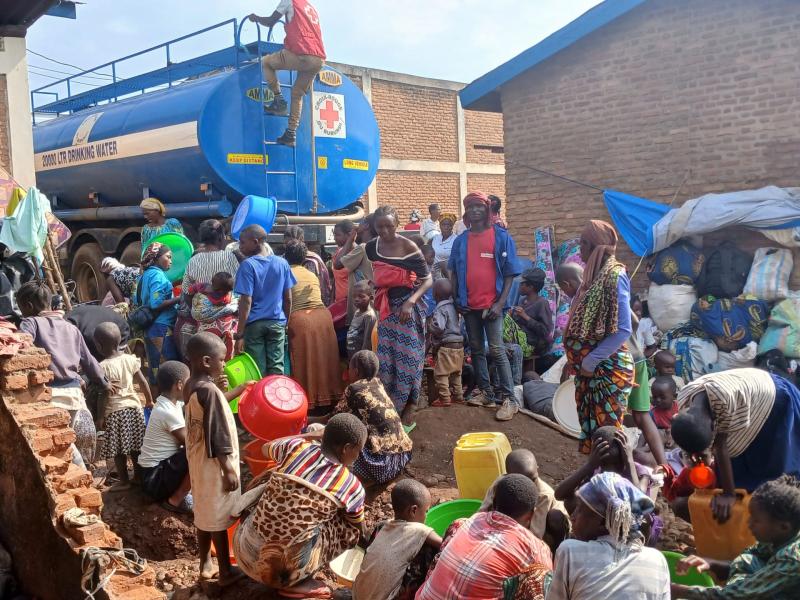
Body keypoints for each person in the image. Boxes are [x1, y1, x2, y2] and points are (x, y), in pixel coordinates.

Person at [565, 220, 666, 471]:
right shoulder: (594, 276)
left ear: (591, 245)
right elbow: (628, 320)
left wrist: (590, 359)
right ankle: (599, 478)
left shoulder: (614, 275)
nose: (580, 250)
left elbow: (623, 329)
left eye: (582, 243)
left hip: (608, 370)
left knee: (609, 434)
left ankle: (617, 483)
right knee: (597, 431)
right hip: (594, 372)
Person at [234, 414, 367, 598]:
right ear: (346, 448)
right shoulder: (350, 485)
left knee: (272, 484)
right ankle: (300, 582)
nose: (358, 456)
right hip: (280, 576)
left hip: (243, 553)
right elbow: (359, 527)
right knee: (349, 528)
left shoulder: (294, 447)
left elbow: (266, 447)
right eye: (358, 451)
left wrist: (309, 436)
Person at [671, 367, 800, 521]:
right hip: (745, 397)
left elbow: (720, 448)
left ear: (714, 425)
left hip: (773, 402)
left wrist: (728, 494)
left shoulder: (724, 402)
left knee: (774, 464)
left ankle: (776, 511)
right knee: (735, 469)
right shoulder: (686, 398)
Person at [417, 474, 554, 600]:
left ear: (493, 502)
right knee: (538, 575)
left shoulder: (468, 521)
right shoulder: (536, 550)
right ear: (531, 514)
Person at [18, 281, 109, 467]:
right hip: (75, 396)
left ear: (28, 306)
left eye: (21, 309)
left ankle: (83, 482)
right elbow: (90, 362)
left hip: (51, 397)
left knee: (63, 448)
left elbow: (22, 346)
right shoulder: (71, 328)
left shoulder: (30, 323)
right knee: (72, 446)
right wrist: (104, 382)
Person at [184, 332, 250, 586]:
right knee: (220, 516)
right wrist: (228, 469)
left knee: (204, 511)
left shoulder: (191, 385)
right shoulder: (209, 391)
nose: (225, 364)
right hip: (215, 464)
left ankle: (204, 563)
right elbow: (218, 430)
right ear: (206, 361)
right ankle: (225, 570)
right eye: (222, 360)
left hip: (198, 460)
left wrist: (235, 390)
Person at [448, 191, 520, 421]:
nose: (475, 210)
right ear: (466, 212)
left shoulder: (501, 237)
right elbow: (452, 272)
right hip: (469, 306)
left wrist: (500, 303)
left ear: (487, 209)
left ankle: (510, 399)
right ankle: (487, 393)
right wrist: (457, 299)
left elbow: (510, 274)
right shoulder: (461, 241)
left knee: (497, 349)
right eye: (470, 207)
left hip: (492, 306)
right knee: (477, 350)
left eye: (479, 206)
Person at [671, 474, 800, 599]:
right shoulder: (781, 536)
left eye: (756, 520)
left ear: (783, 527)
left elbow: (733, 595)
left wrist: (678, 590)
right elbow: (749, 555)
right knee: (745, 560)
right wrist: (711, 563)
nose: (749, 523)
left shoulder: (791, 558)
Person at [547, 472, 670, 600]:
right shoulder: (658, 560)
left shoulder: (570, 552)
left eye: (579, 509)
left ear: (602, 523)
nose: (573, 517)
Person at [366, 206, 432, 424]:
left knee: (410, 357)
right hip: (385, 309)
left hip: (407, 308)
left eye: (389, 226)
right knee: (386, 359)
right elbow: (375, 273)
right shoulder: (372, 248)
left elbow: (428, 279)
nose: (385, 231)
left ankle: (410, 404)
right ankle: (390, 407)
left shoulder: (408, 246)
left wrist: (410, 302)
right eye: (380, 226)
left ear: (397, 224)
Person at [248, 0, 325, 147]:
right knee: (297, 94)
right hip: (318, 59)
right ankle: (290, 134)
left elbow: (271, 21)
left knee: (266, 62)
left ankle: (279, 101)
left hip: (301, 53)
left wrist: (255, 18)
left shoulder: (289, 1)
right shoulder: (311, 7)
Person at [333, 350, 413, 485]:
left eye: (350, 369)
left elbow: (332, 420)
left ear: (356, 371)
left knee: (338, 435)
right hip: (403, 458)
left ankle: (344, 479)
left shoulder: (353, 389)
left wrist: (307, 420)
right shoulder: (378, 384)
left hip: (379, 467)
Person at [354, 479, 441, 600]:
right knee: (430, 551)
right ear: (414, 510)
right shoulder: (419, 530)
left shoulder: (382, 526)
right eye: (426, 511)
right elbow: (444, 544)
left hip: (359, 595)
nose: (426, 516)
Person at [94, 322, 153, 493]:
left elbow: (103, 394)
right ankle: (139, 477)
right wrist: (149, 400)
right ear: (120, 340)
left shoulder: (102, 367)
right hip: (134, 409)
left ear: (98, 345)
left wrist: (100, 416)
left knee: (118, 450)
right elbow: (142, 381)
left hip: (115, 411)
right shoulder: (130, 359)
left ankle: (124, 480)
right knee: (136, 446)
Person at [284, 240, 342, 408]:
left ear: (286, 256)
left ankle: (304, 402)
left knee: (303, 361)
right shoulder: (311, 274)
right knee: (324, 359)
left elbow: (286, 300)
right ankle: (328, 399)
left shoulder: (285, 271)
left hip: (301, 320)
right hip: (323, 318)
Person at [234, 225, 296, 375]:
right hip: (277, 323)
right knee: (277, 368)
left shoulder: (247, 265)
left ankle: (259, 398)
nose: (240, 247)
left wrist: (240, 332)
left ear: (255, 242)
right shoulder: (282, 264)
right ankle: (276, 397)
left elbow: (246, 301)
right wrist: (285, 323)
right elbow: (287, 298)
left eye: (242, 242)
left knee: (257, 370)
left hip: (254, 325)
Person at [479, 449, 570, 550]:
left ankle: (555, 551)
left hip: (547, 527)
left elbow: (536, 534)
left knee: (555, 517)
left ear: (537, 469)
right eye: (522, 481)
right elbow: (483, 511)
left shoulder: (544, 495)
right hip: (520, 524)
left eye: (533, 479)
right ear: (509, 475)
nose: (529, 486)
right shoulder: (500, 483)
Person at [177, 219, 240, 358]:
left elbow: (186, 291)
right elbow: (239, 288)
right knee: (227, 359)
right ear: (220, 237)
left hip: (204, 324)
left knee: (207, 358)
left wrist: (199, 311)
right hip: (227, 321)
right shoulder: (229, 257)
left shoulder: (194, 260)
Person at [138, 361, 193, 514]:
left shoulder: (169, 404)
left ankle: (183, 492)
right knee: (197, 452)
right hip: (154, 480)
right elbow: (191, 444)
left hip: (152, 474)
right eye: (189, 382)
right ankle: (176, 499)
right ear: (180, 385)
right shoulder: (167, 412)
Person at [138, 242, 180, 383]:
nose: (171, 261)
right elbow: (156, 304)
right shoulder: (158, 276)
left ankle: (153, 404)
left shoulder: (145, 275)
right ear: (156, 258)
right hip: (160, 327)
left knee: (154, 367)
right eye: (168, 257)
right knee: (168, 368)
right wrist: (180, 298)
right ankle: (164, 402)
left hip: (149, 326)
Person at [429, 278, 464, 408]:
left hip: (447, 345)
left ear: (435, 294)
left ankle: (444, 398)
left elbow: (439, 327)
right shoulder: (454, 306)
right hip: (459, 344)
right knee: (456, 372)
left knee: (441, 373)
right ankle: (459, 396)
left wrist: (430, 327)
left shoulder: (440, 309)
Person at [335, 215, 376, 325]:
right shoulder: (377, 245)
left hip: (362, 306)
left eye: (362, 222)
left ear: (366, 226)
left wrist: (350, 239)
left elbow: (337, 264)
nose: (358, 224)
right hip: (372, 301)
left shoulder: (362, 247)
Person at [188, 272, 238, 360]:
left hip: (222, 334)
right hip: (209, 335)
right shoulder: (202, 293)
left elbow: (190, 290)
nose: (225, 294)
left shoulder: (227, 296)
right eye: (225, 292)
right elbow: (198, 313)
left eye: (228, 292)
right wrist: (226, 309)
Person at [511, 268, 554, 366]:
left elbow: (545, 331)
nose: (519, 286)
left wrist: (525, 316)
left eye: (522, 284)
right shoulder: (522, 301)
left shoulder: (542, 303)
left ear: (531, 287)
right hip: (520, 341)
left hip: (534, 345)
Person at [283, 225, 332, 306]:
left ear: (302, 240)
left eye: (292, 243)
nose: (288, 247)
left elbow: (309, 288)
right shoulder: (283, 258)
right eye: (286, 244)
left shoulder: (311, 261)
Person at [66, 304, 130, 362]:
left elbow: (93, 366)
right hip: (109, 319)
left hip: (120, 329)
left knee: (112, 363)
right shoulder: (66, 319)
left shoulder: (89, 337)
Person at [346, 280, 377, 359]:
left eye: (361, 296)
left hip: (360, 358)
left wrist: (361, 360)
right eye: (354, 296)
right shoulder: (357, 312)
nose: (356, 299)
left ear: (370, 298)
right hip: (352, 354)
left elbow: (367, 341)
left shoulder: (369, 316)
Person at [332, 219, 355, 303]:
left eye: (337, 235)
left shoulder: (357, 253)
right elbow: (336, 280)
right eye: (334, 234)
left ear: (349, 235)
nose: (334, 238)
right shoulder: (338, 252)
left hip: (352, 303)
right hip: (339, 303)